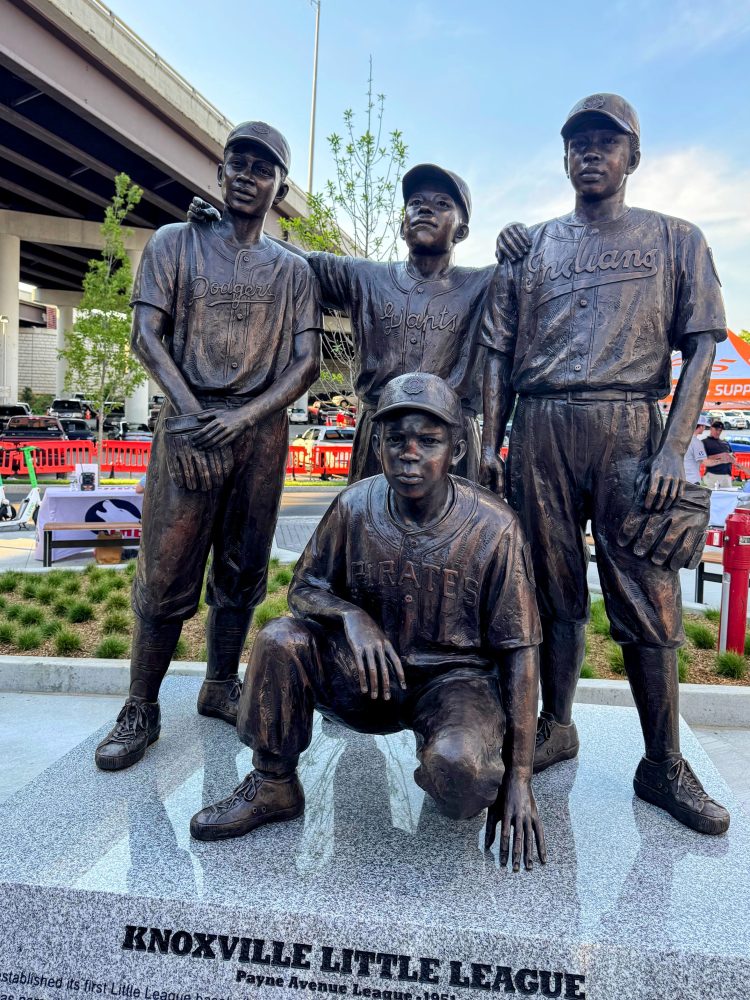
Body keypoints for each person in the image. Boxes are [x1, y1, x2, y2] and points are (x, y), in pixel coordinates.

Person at [482, 93, 729, 834]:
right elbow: (497, 353)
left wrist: (672, 445)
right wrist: (492, 444)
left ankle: (662, 764)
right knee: (547, 588)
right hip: (543, 426)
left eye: (607, 142)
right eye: (579, 143)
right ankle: (556, 724)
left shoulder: (675, 237)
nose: (592, 152)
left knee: (649, 598)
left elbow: (703, 344)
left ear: (632, 157)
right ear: (563, 160)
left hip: (630, 427)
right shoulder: (532, 248)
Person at [190, 373, 546, 871]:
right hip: (365, 675)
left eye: (429, 440)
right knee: (280, 639)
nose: (409, 453)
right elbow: (303, 588)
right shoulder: (355, 504)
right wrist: (350, 615)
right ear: (378, 444)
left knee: (462, 778)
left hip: (453, 683)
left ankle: (444, 760)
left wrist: (520, 776)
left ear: (458, 449)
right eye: (396, 439)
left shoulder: (494, 526)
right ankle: (273, 783)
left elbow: (521, 651)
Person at [95, 121, 322, 772]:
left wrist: (244, 418)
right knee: (165, 571)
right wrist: (196, 418)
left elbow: (305, 364)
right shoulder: (175, 243)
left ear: (281, 186)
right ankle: (141, 705)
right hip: (190, 426)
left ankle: (221, 683)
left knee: (243, 569)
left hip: (259, 436)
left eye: (264, 167)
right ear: (220, 173)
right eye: (238, 163)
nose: (249, 174)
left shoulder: (293, 270)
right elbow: (145, 336)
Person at [189, 165, 524, 484]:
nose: (425, 210)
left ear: (462, 230)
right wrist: (233, 230)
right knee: (367, 531)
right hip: (380, 432)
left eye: (442, 204)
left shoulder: (486, 283)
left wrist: (519, 238)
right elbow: (299, 264)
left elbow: (539, 276)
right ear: (402, 224)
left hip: (452, 438)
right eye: (416, 203)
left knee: (457, 539)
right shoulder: (366, 277)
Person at [702, 420, 734, 488]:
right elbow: (703, 459)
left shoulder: (725, 443)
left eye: (720, 430)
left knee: (728, 497)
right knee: (712, 497)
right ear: (711, 428)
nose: (718, 432)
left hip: (727, 476)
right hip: (712, 475)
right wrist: (720, 456)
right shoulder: (704, 442)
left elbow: (732, 456)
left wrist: (732, 458)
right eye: (716, 429)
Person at [683, 416, 709, 485]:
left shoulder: (682, 440)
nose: (704, 428)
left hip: (682, 478)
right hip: (693, 480)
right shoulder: (696, 442)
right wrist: (722, 461)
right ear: (700, 427)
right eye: (704, 426)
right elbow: (706, 462)